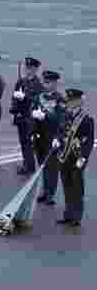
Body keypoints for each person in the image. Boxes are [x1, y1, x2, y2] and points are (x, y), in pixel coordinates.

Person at [54, 88, 93, 226]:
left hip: (77, 158)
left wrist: (83, 158)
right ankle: (68, 214)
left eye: (72, 100)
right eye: (69, 100)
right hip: (64, 156)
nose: (69, 103)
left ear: (79, 102)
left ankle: (76, 216)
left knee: (76, 187)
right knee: (66, 186)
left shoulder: (87, 120)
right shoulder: (66, 115)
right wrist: (57, 139)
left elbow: (88, 141)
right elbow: (60, 130)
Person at [34, 69, 66, 206]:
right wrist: (32, 130)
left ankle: (51, 194)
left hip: (52, 137)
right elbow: (34, 114)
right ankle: (44, 190)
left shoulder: (60, 99)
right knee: (42, 164)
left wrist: (46, 116)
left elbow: (62, 120)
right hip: (40, 136)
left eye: (48, 82)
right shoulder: (38, 97)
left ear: (54, 83)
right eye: (44, 82)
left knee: (51, 167)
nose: (45, 84)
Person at [10, 56, 43, 175]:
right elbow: (14, 97)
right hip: (20, 116)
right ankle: (26, 163)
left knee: (29, 143)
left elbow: (38, 100)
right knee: (23, 142)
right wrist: (13, 110)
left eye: (31, 68)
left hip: (30, 117)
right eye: (27, 67)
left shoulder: (38, 84)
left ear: (35, 69)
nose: (28, 70)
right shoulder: (21, 81)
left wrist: (25, 97)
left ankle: (30, 166)